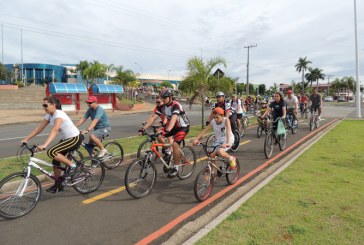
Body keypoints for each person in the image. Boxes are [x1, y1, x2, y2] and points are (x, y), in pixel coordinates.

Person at [21, 96, 82, 193]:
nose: (44, 107)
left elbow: (55, 129)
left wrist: (45, 144)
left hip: (74, 138)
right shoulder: (49, 115)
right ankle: (58, 185)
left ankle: (72, 166)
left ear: (53, 105)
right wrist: (26, 139)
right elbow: (39, 129)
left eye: (46, 105)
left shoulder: (59, 114)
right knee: (55, 161)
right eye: (43, 105)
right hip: (65, 139)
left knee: (51, 151)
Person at [156, 89, 190, 177]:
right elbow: (153, 117)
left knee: (175, 145)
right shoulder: (163, 107)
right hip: (174, 127)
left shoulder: (175, 105)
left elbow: (174, 118)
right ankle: (168, 153)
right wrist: (143, 128)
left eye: (165, 97)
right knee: (159, 136)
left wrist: (167, 129)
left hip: (183, 127)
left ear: (170, 97)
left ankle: (176, 167)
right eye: (162, 97)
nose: (163, 99)